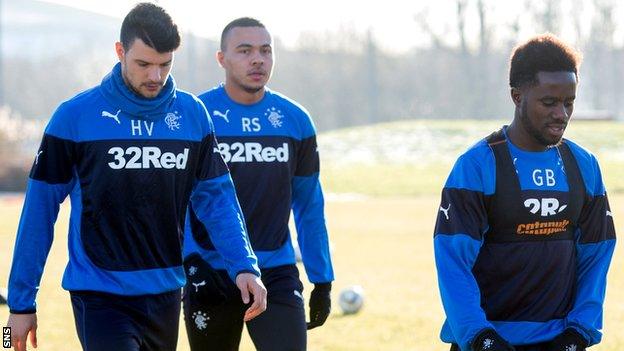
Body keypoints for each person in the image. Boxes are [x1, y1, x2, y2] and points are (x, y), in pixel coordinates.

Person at [5, 4, 267, 351]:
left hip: (167, 292)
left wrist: (244, 265)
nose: (155, 77)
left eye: (165, 64)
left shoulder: (192, 116)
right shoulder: (74, 117)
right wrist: (21, 304)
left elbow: (218, 198)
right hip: (99, 295)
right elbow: (39, 212)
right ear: (120, 51)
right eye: (144, 64)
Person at [433, 34, 616, 351]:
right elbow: (452, 262)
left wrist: (578, 333)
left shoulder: (585, 167)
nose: (561, 114)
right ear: (517, 97)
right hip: (487, 342)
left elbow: (597, 255)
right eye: (549, 102)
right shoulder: (477, 166)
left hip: (561, 341)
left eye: (568, 102)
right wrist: (480, 337)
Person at [182, 17, 335, 351]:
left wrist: (321, 278)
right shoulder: (196, 114)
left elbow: (309, 205)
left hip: (276, 270)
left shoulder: (295, 120)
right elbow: (174, 201)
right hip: (211, 270)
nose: (258, 59)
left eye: (266, 51)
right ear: (221, 59)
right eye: (245, 50)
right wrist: (186, 262)